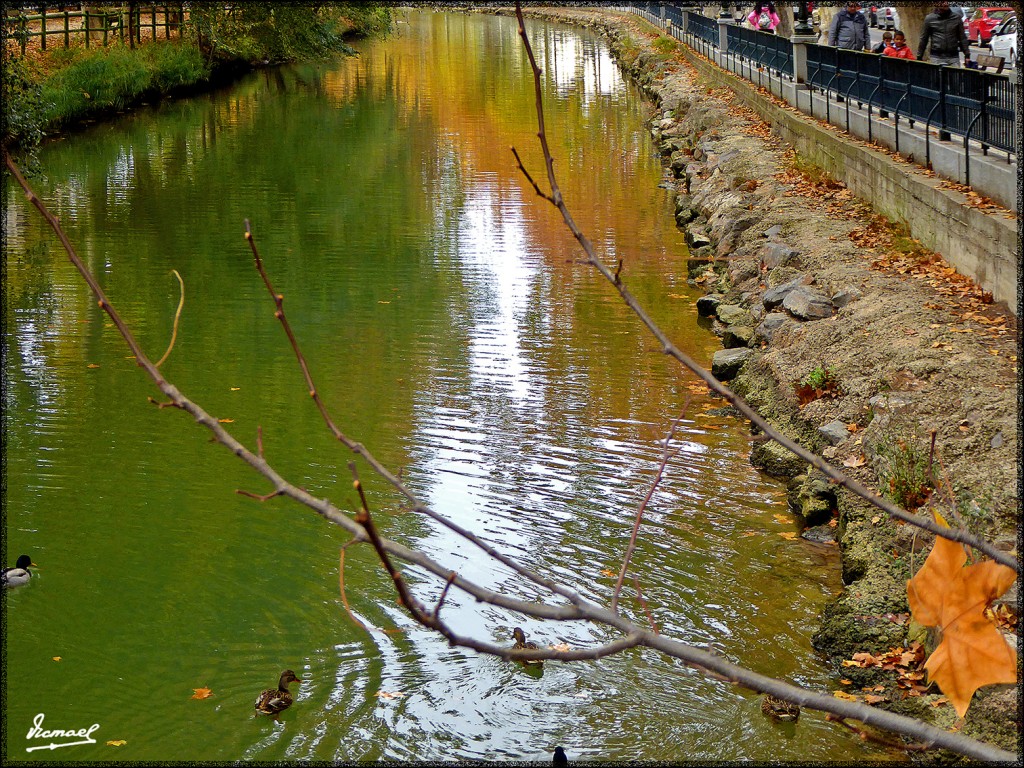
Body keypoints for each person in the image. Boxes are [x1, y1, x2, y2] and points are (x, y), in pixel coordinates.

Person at [916, 1, 971, 66]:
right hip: (936, 57)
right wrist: (919, 56)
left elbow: (962, 38)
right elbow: (924, 39)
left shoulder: (956, 18)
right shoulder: (929, 19)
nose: (945, 3)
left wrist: (967, 55)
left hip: (953, 57)